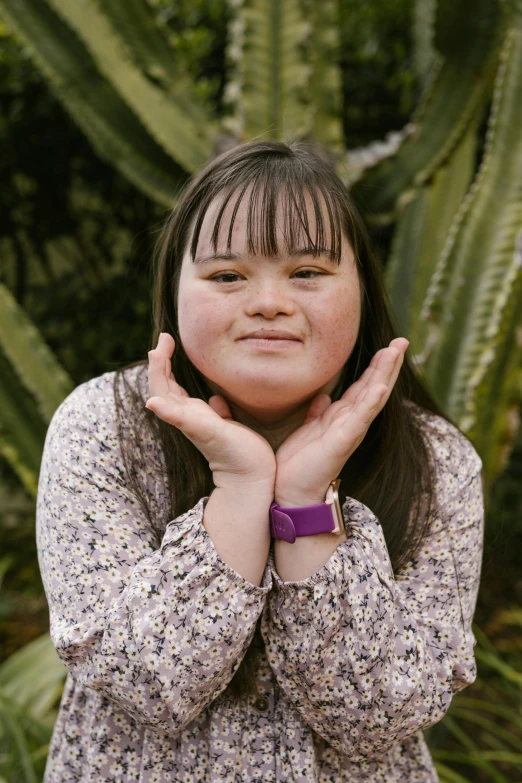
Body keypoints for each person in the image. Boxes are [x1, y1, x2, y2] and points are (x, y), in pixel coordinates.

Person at [36, 139, 485, 783]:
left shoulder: (436, 462)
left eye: (308, 272)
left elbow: (377, 715)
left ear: (363, 290)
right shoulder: (101, 427)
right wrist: (242, 487)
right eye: (227, 275)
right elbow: (144, 683)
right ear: (174, 292)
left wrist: (305, 503)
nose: (269, 301)